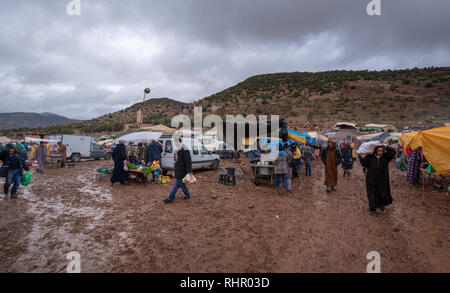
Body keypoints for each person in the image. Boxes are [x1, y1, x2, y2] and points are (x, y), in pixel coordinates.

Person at [359, 145, 396, 214]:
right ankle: (372, 209)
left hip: (382, 179)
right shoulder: (370, 158)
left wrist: (386, 147)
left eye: (381, 151)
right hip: (371, 179)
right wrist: (361, 158)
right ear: (376, 151)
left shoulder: (385, 158)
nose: (380, 152)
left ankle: (381, 205)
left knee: (381, 193)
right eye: (379, 151)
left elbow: (393, 152)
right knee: (372, 193)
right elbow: (364, 164)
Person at [164, 138, 192, 203]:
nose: (174, 144)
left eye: (175, 142)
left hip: (182, 170)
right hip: (178, 169)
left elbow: (188, 160)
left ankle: (171, 198)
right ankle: (187, 194)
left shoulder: (185, 148)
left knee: (176, 183)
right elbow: (178, 160)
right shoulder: (179, 149)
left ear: (178, 141)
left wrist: (189, 171)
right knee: (182, 183)